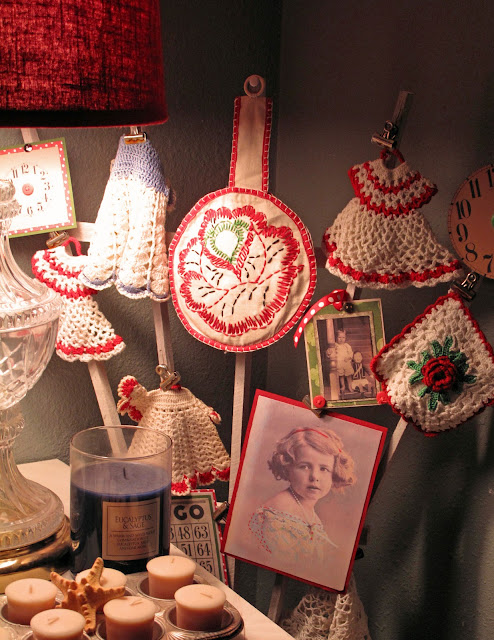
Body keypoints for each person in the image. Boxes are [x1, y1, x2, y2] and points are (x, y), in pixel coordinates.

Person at [249, 427, 356, 566]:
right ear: (287, 468)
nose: (314, 476)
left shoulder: (306, 509)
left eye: (324, 469)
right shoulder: (279, 515)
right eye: (305, 466)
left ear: (334, 473)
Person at [334, 328, 354, 394]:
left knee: (348, 375)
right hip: (339, 363)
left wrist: (348, 357)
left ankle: (350, 386)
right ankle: (343, 387)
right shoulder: (335, 345)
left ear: (345, 338)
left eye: (343, 337)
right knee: (341, 375)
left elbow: (351, 353)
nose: (341, 339)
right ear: (336, 337)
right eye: (339, 337)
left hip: (346, 363)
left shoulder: (347, 346)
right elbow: (331, 352)